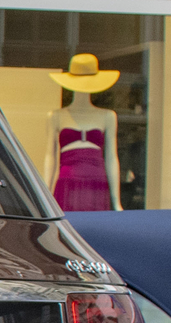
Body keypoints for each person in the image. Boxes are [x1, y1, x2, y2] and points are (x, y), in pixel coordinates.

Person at [44, 53, 121, 213]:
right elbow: (50, 156)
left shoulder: (107, 116)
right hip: (67, 181)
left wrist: (116, 201)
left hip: (97, 183)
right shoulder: (56, 116)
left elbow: (112, 157)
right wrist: (45, 192)